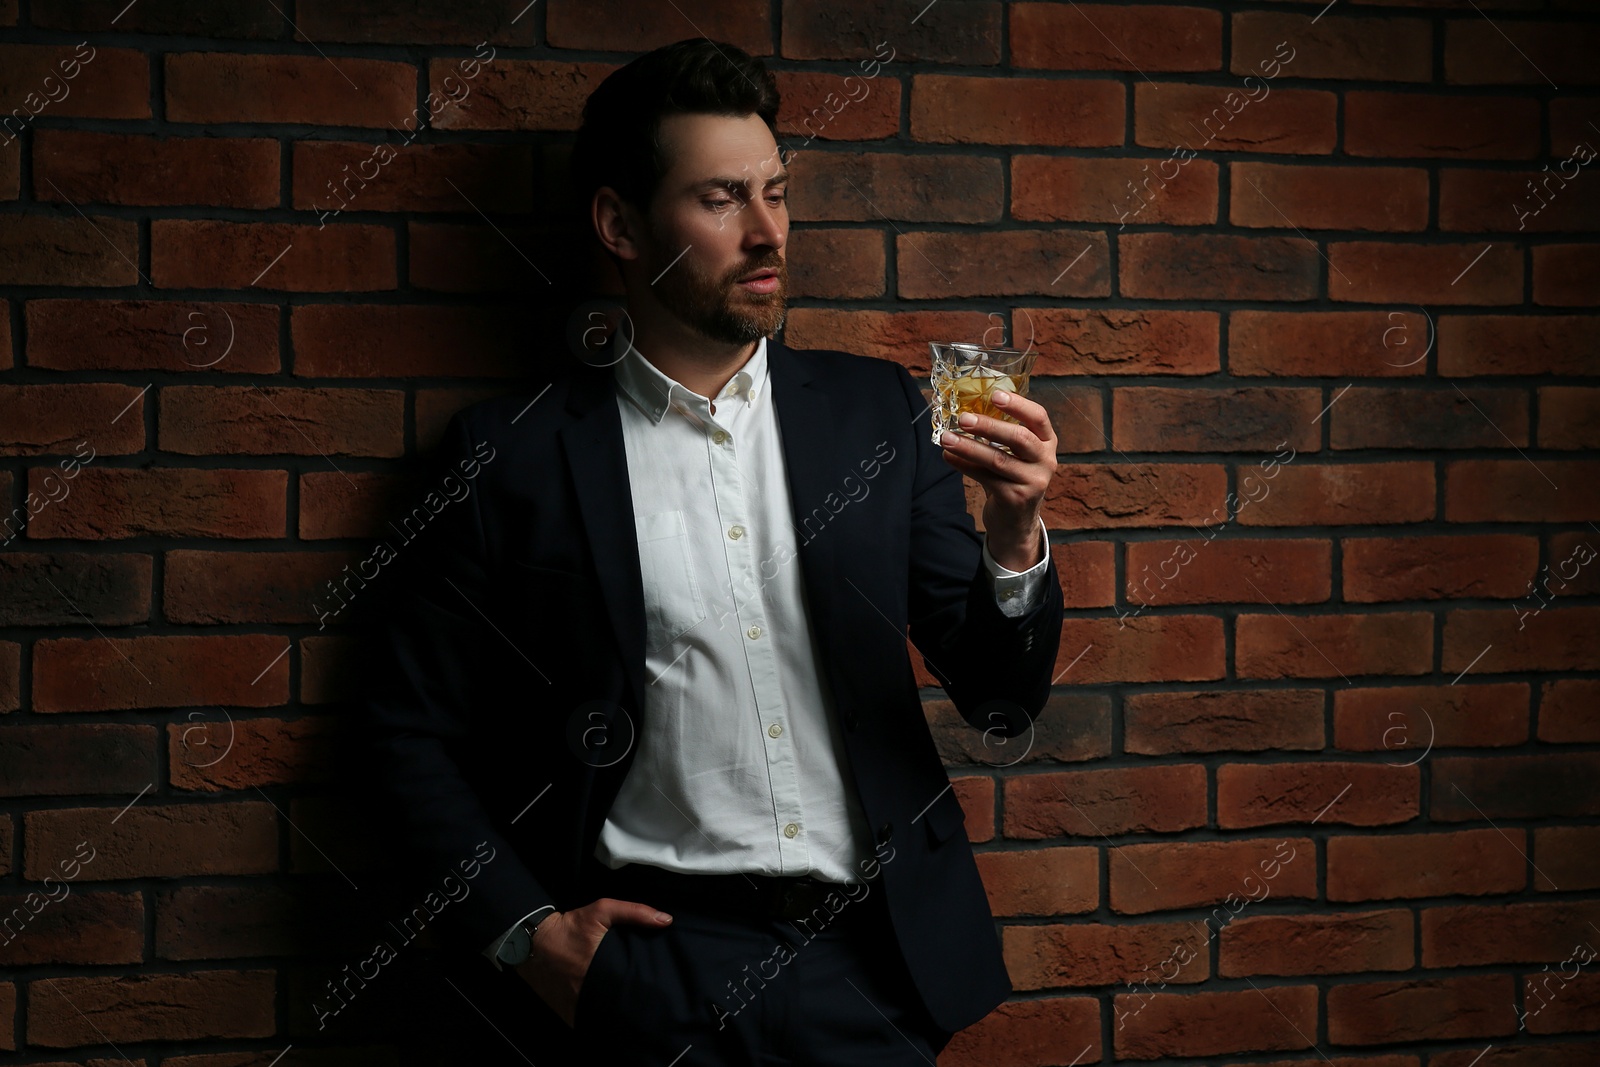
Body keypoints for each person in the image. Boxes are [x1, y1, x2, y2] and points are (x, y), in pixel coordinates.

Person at [357, 36, 1064, 1066]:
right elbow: (402, 734)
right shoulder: (507, 456)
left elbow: (1004, 693)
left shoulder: (877, 415)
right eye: (722, 198)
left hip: (868, 969)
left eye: (777, 191)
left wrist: (1013, 535)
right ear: (620, 225)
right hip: (647, 977)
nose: (768, 230)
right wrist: (529, 936)